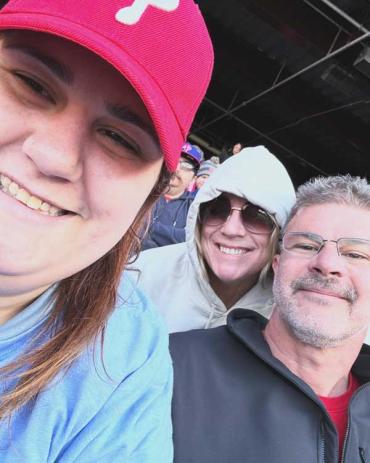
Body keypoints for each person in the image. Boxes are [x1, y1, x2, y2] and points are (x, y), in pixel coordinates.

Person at [0, 0, 213, 460]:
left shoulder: (125, 359)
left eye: (119, 138)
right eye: (31, 84)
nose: (54, 156)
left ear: (153, 197)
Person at [170, 175, 370, 463]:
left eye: (356, 254)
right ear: (277, 265)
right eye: (305, 245)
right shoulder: (171, 367)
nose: (326, 264)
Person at [133, 146, 296, 332]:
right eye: (217, 209)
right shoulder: (141, 275)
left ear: (281, 230)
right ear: (198, 215)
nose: (231, 229)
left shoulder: (291, 319)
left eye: (257, 216)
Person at [141, 141, 203, 250]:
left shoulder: (195, 207)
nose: (176, 169)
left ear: (193, 179)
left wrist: (144, 226)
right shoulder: (142, 189)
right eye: (173, 160)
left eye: (186, 165)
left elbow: (191, 240)